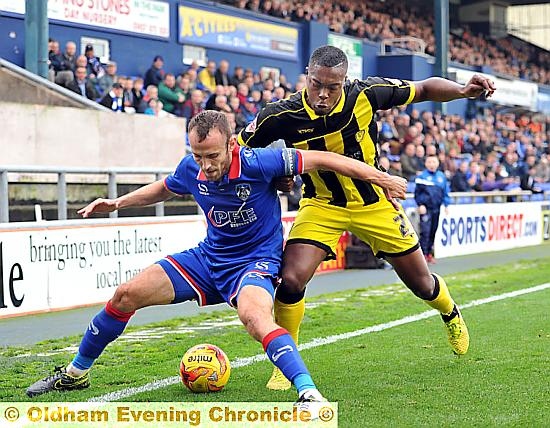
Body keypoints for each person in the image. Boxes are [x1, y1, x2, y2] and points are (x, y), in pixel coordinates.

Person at [26, 110, 407, 402]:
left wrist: (382, 178)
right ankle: (76, 374)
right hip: (208, 258)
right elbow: (166, 187)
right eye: (198, 155)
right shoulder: (192, 167)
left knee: (255, 318)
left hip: (255, 261)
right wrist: (118, 203)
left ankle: (308, 393)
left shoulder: (260, 162)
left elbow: (327, 161)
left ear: (231, 145)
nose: (205, 166)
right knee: (126, 295)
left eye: (212, 156)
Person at [238, 45, 496, 390]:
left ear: (345, 81)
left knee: (422, 284)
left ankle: (449, 312)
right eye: (317, 84)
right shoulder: (278, 115)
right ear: (307, 75)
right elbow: (239, 153)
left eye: (333, 86)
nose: (324, 94)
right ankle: (286, 362)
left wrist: (463, 89)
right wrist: (274, 175)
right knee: (291, 279)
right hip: (322, 204)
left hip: (375, 201)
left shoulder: (366, 93)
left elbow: (424, 89)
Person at [414, 155, 450, 264]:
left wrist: (446, 205)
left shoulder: (441, 177)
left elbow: (445, 192)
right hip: (426, 208)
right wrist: (420, 205)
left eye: (434, 162)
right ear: (426, 164)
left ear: (438, 163)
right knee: (425, 231)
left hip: (436, 208)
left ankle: (429, 253)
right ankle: (422, 255)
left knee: (433, 231)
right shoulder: (422, 177)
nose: (431, 164)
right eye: (429, 162)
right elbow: (417, 193)